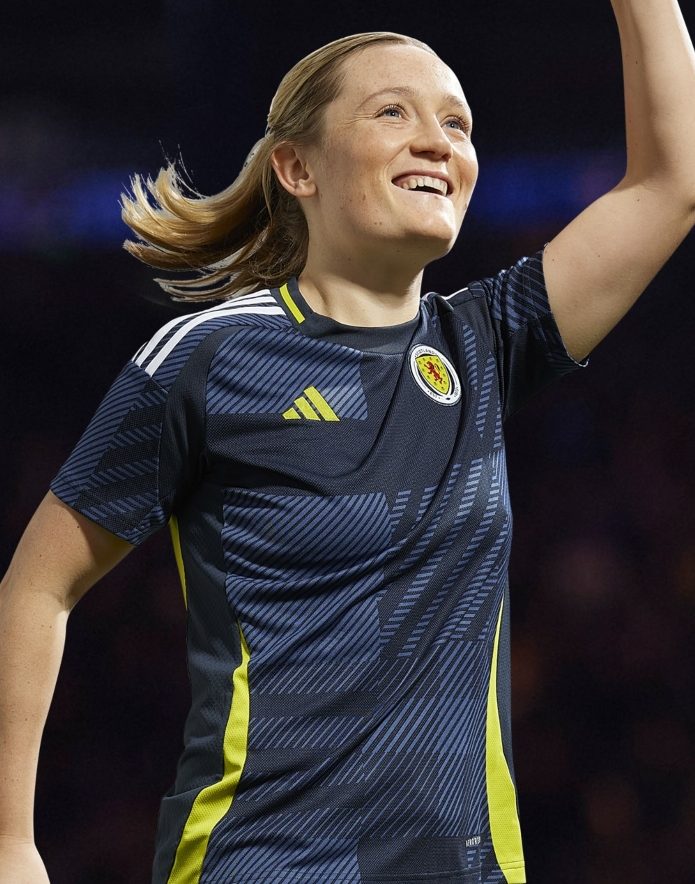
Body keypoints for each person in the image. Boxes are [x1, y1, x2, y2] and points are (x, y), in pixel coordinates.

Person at [1, 4, 694, 881]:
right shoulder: (209, 359)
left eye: (457, 124)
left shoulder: (482, 344)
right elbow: (36, 589)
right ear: (297, 168)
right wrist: (8, 840)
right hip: (265, 863)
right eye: (393, 112)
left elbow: (669, 184)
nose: (437, 140)